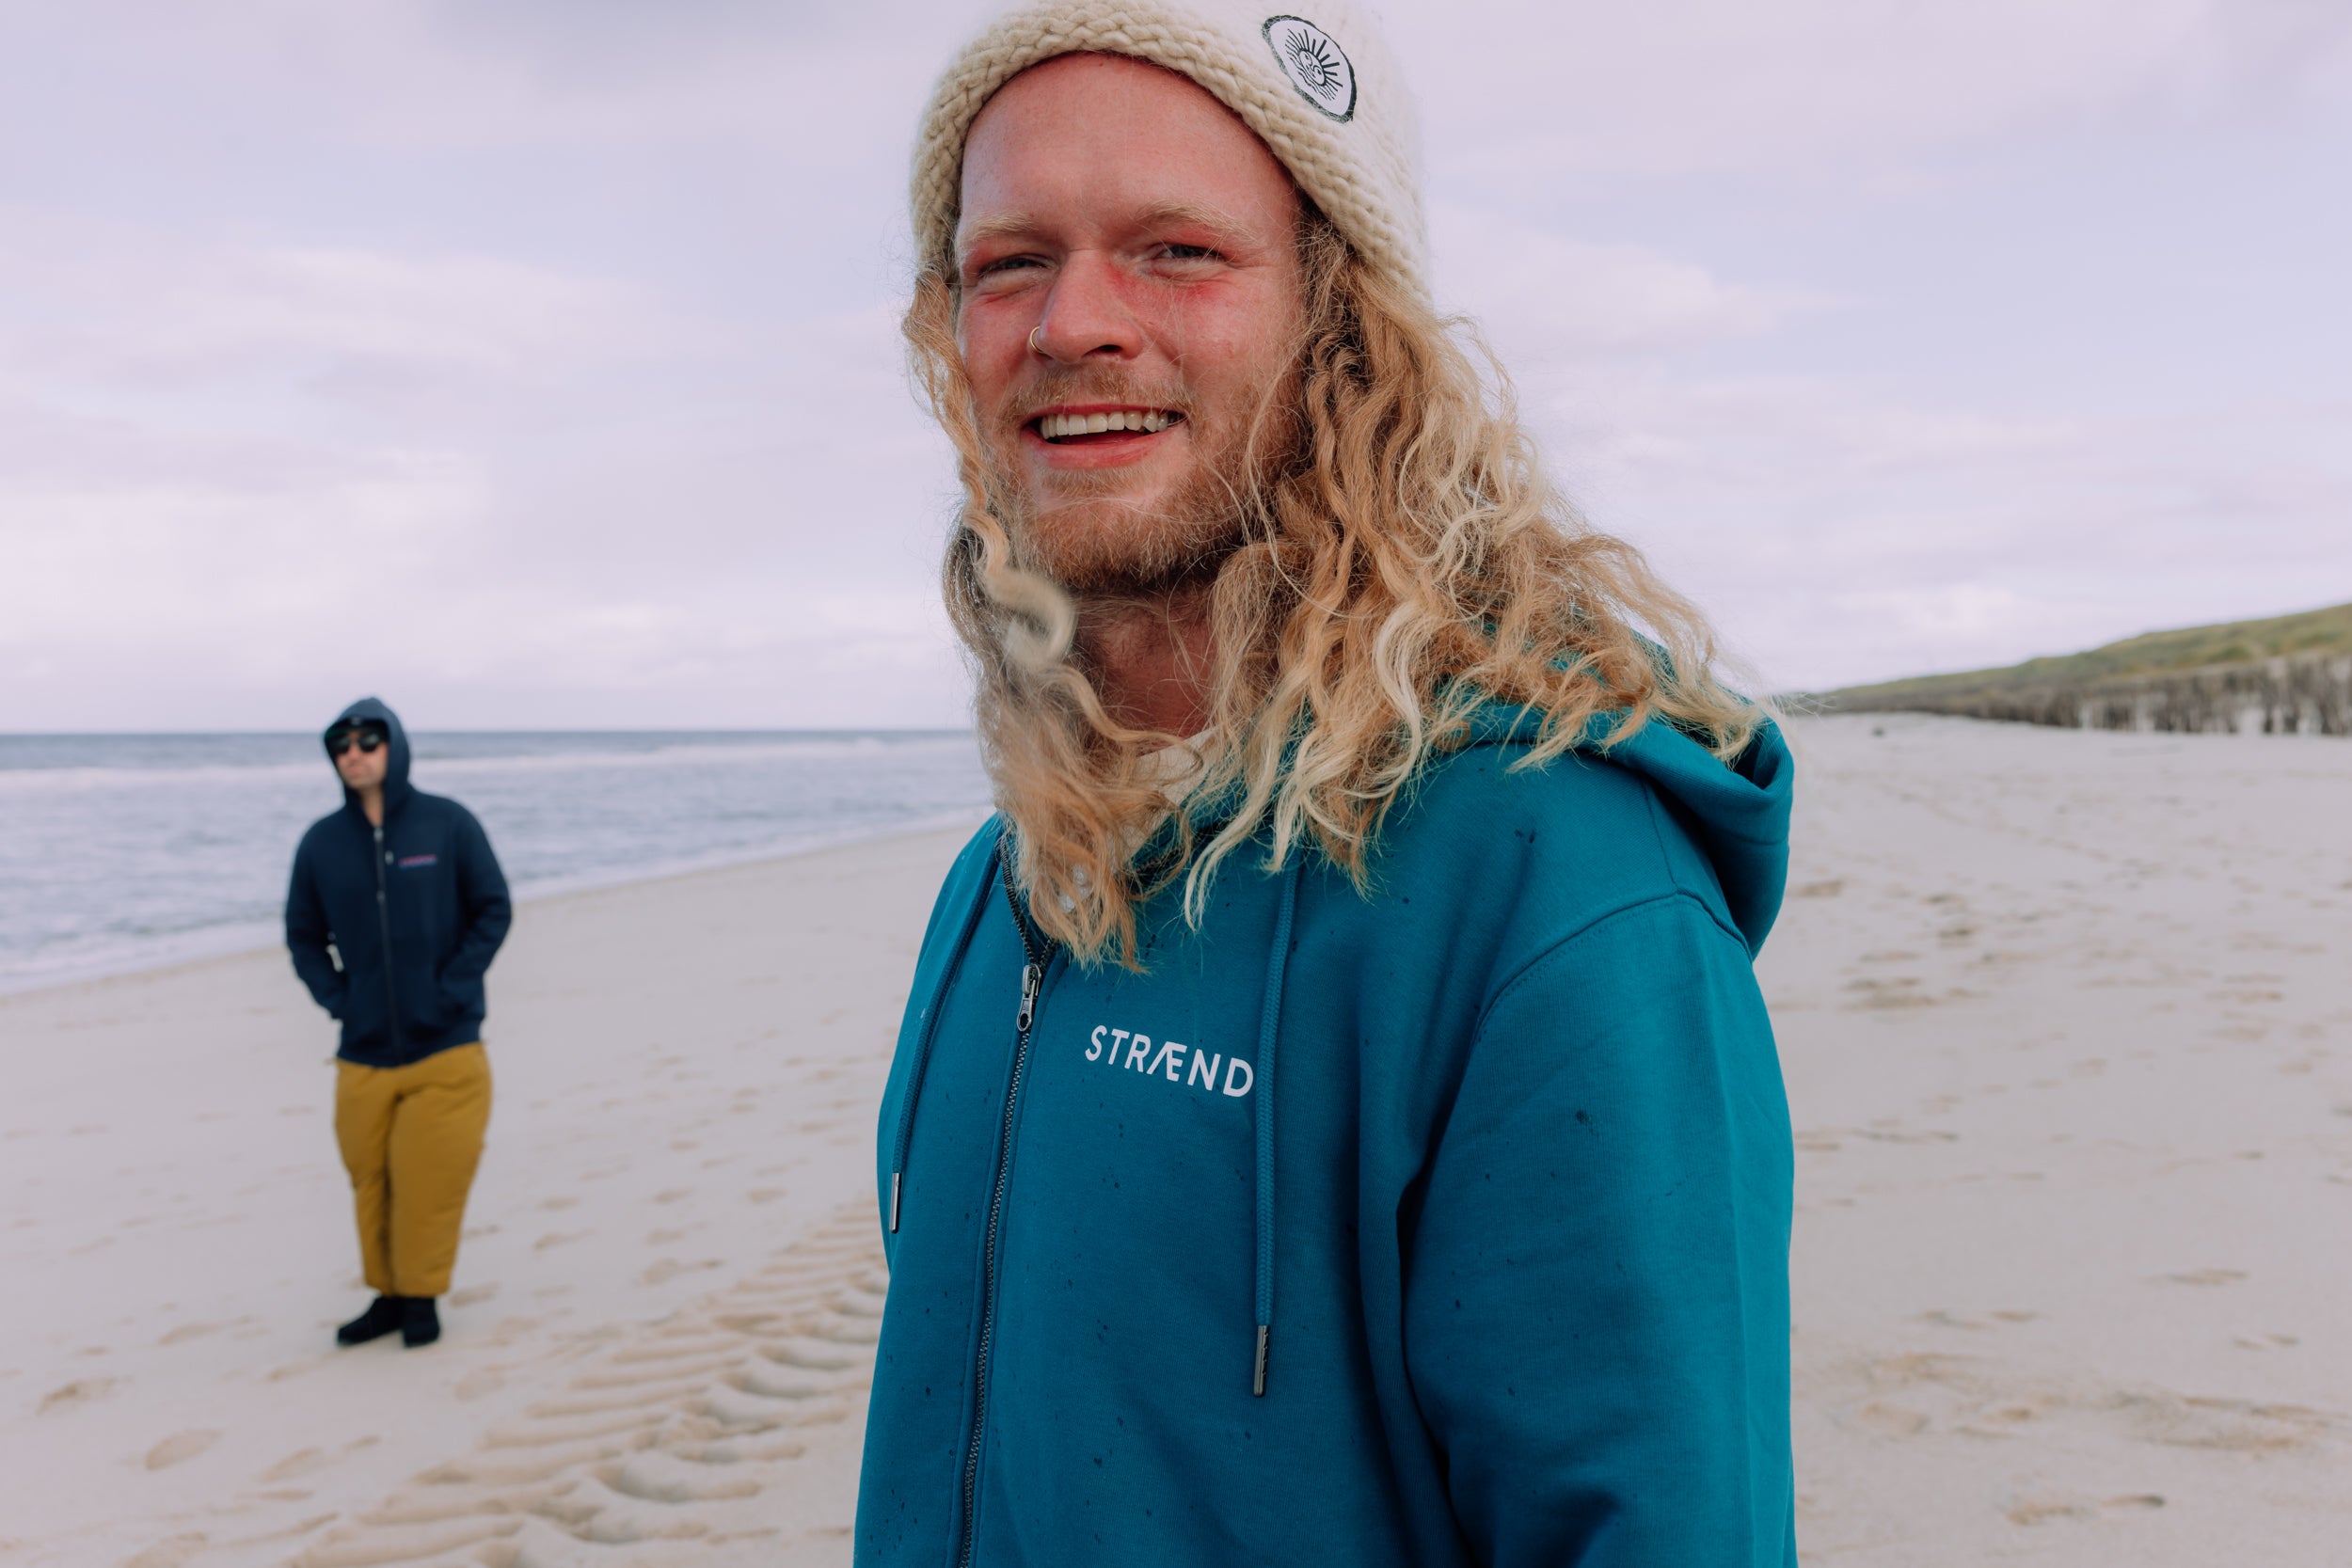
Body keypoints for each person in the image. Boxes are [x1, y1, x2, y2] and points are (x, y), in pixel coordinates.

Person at [857, 3, 1798, 1564]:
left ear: (1342, 318)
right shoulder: (1009, 882)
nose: (1074, 321)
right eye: (1009, 259)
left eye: (1176, 250)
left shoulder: (1557, 892)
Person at [286, 698, 511, 1350]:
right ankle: (387, 1293)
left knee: (430, 1179)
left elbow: (492, 909)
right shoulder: (322, 843)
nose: (354, 753)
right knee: (372, 1179)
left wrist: (454, 987)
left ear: (394, 745)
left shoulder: (447, 824)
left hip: (446, 1045)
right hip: (363, 1050)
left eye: (367, 740)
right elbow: (302, 936)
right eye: (341, 745)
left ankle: (421, 1297)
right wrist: (340, 999)